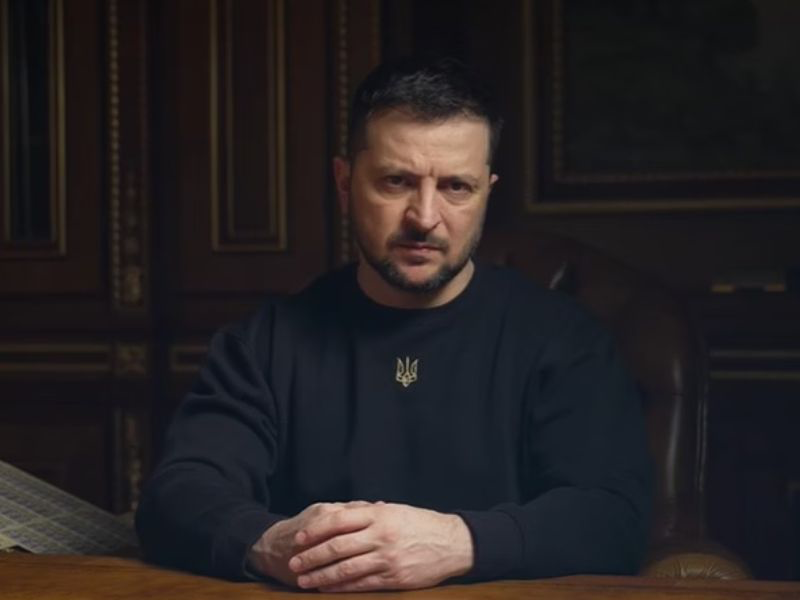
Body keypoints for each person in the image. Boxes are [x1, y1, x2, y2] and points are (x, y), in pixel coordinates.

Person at [135, 56, 652, 593]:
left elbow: (614, 517)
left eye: (456, 187)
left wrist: (458, 543)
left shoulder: (564, 340)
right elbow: (177, 496)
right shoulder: (264, 344)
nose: (424, 217)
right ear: (344, 183)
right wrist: (271, 544)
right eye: (396, 181)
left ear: (487, 194)